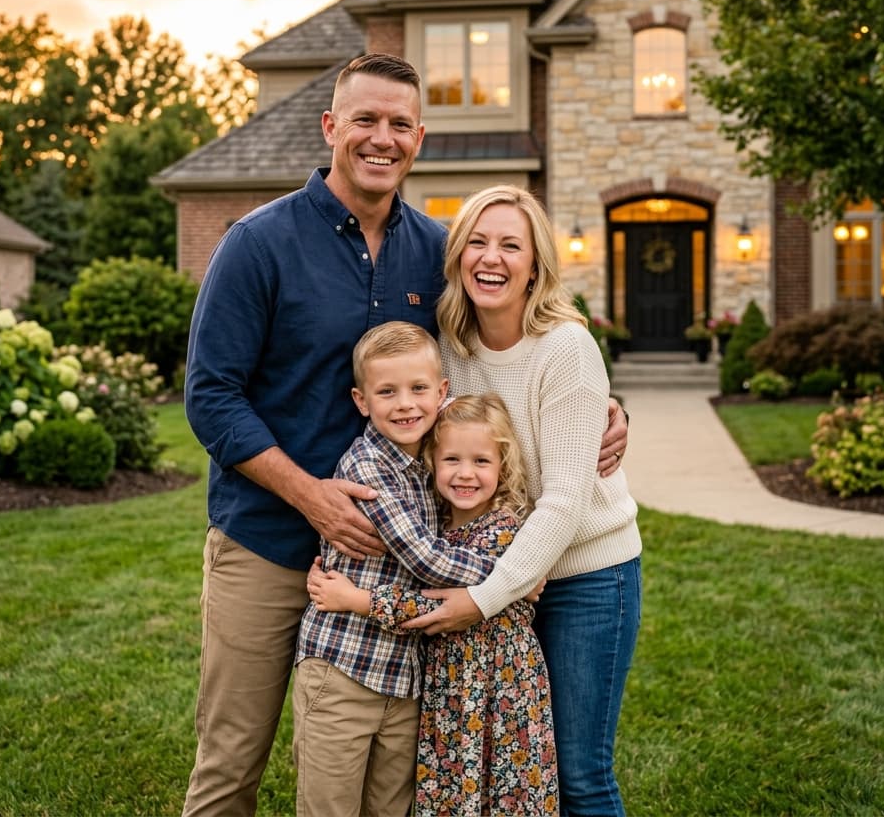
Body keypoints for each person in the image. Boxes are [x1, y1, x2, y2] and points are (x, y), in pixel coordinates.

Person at [181, 53, 629, 816]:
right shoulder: (258, 243)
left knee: (393, 777)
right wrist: (312, 497)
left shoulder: (436, 250)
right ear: (331, 127)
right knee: (231, 765)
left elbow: (514, 331)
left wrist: (604, 405)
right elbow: (210, 396)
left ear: (418, 138)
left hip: (396, 562)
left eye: (398, 124)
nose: (380, 138)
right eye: (365, 120)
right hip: (266, 541)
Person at [404, 185, 643, 817]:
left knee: (580, 776)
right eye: (477, 242)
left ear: (536, 264)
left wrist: (481, 600)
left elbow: (564, 499)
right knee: (520, 771)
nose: (492, 258)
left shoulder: (566, 348)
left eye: (512, 244)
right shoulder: (450, 350)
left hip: (588, 577)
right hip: (508, 574)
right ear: (457, 258)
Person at [309, 393, 559, 817]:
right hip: (451, 687)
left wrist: (357, 599)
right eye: (452, 461)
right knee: (454, 786)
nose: (465, 474)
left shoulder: (506, 530)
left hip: (499, 687)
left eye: (481, 462)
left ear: (503, 467)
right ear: (432, 463)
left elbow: (429, 605)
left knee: (503, 791)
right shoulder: (435, 524)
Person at [293, 322, 496, 817]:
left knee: (391, 808)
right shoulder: (368, 467)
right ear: (362, 401)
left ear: (442, 393)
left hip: (405, 678)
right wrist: (512, 573)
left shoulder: (435, 463)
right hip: (344, 670)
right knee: (330, 807)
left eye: (419, 389)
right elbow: (426, 558)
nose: (405, 404)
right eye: (387, 392)